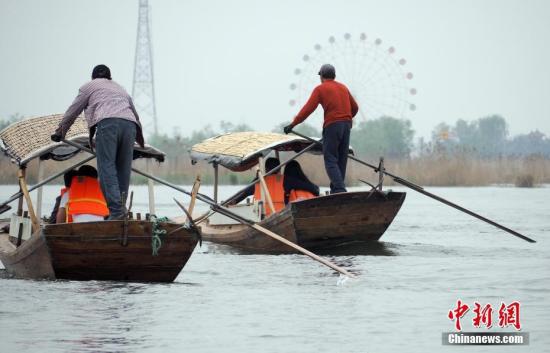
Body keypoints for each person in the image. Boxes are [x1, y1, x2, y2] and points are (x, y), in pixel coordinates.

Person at [51, 64, 145, 220]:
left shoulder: (89, 86)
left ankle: (117, 213)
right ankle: (121, 210)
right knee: (123, 170)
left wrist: (60, 131)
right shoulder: (120, 88)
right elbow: (134, 114)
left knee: (107, 168)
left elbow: (73, 110)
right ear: (110, 77)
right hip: (130, 126)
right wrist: (140, 140)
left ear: (93, 77)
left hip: (107, 124)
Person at [283, 64, 358, 194]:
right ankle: (336, 190)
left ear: (322, 76)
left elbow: (307, 109)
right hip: (346, 126)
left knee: (330, 159)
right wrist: (346, 118)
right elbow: (355, 108)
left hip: (333, 125)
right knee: (341, 158)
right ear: (334, 76)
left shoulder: (320, 89)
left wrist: (292, 124)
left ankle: (340, 190)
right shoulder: (343, 87)